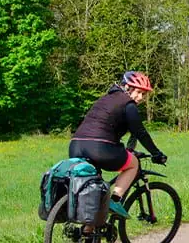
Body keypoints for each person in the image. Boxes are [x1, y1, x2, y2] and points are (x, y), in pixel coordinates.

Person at [69, 71, 167, 220]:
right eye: (139, 92)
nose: (141, 97)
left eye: (144, 94)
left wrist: (129, 150)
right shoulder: (128, 105)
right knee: (133, 164)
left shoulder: (104, 99)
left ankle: (88, 233)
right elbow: (140, 132)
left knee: (95, 192)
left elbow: (132, 133)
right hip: (100, 148)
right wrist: (156, 153)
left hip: (75, 146)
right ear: (127, 87)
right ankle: (115, 200)